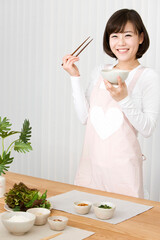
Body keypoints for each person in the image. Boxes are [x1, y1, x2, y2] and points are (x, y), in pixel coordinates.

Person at [62, 9, 160, 198]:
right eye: (114, 36)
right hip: (91, 167)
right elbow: (85, 118)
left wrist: (123, 98)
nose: (120, 43)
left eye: (128, 35)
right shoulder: (101, 71)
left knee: (123, 223)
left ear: (140, 38)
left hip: (123, 172)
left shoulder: (148, 77)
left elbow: (148, 129)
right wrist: (75, 77)